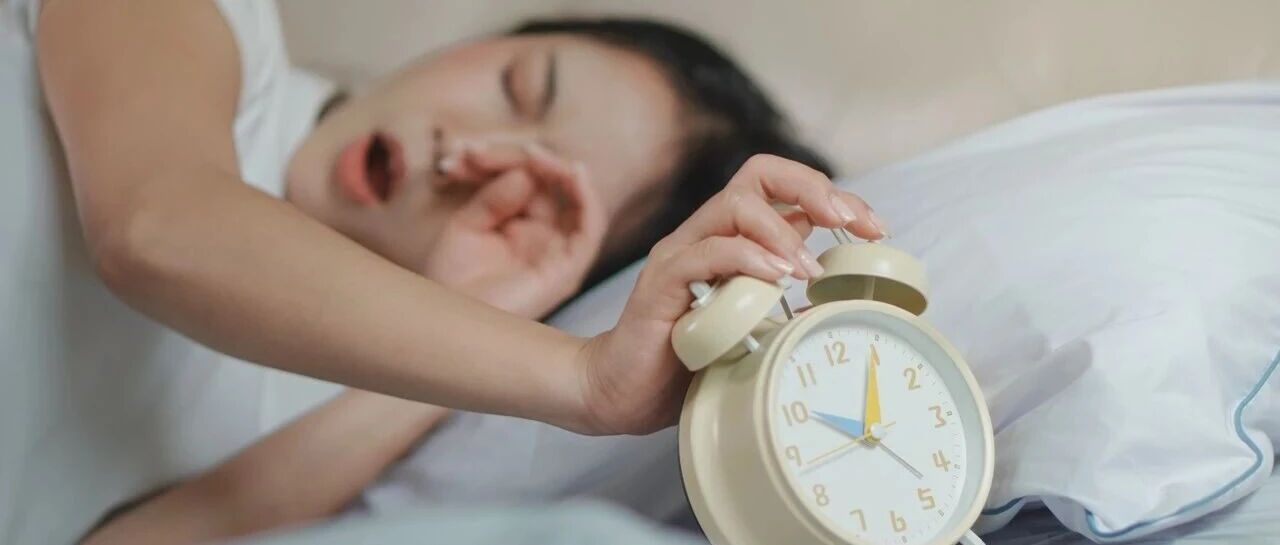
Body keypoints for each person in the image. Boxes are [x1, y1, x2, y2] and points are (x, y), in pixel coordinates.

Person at [4, 1, 886, 544]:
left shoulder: (343, 413)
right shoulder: (217, 24)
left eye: (536, 190)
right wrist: (579, 374)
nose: (461, 152)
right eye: (518, 88)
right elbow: (157, 227)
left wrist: (478, 312)